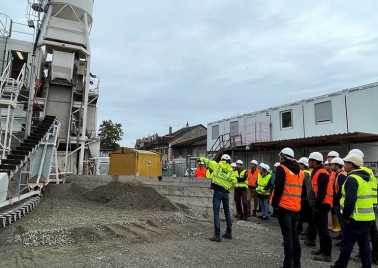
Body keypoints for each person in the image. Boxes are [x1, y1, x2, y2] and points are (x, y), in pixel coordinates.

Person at [332, 153, 376, 268]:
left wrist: (346, 217)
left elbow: (350, 201)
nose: (344, 165)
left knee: (347, 245)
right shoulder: (365, 178)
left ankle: (340, 265)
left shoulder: (352, 178)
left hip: (355, 219)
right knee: (364, 245)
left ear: (351, 164)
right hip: (368, 218)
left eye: (345, 163)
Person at [271, 147, 305, 268]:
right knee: (295, 238)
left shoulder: (282, 168)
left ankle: (287, 265)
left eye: (280, 156)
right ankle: (297, 264)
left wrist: (275, 205)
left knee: (288, 238)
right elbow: (302, 192)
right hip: (296, 209)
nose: (279, 158)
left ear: (283, 157)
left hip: (284, 209)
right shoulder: (300, 171)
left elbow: (279, 188)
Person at [348, 149, 378, 264]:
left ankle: (372, 256)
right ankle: (370, 256)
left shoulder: (361, 172)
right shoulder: (368, 171)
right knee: (369, 233)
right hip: (370, 204)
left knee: (370, 233)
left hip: (365, 205)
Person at [200, 154, 237, 242]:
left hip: (217, 192)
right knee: (227, 212)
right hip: (226, 193)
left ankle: (217, 235)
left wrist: (201, 158)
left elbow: (207, 161)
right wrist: (228, 187)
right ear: (229, 161)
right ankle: (229, 232)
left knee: (216, 213)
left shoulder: (217, 165)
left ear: (222, 159)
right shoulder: (231, 170)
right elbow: (235, 182)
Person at [308, 152, 333, 263]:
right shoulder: (317, 172)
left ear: (315, 162)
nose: (309, 162)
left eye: (310, 161)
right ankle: (322, 249)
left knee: (323, 230)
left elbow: (322, 192)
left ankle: (327, 254)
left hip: (323, 205)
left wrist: (317, 207)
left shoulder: (322, 173)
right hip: (320, 204)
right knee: (320, 229)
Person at [297, 157, 316, 240]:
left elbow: (308, 189)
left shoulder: (306, 174)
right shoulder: (305, 173)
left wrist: (308, 200)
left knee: (306, 217)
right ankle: (301, 231)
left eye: (300, 164)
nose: (298, 165)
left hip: (304, 199)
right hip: (303, 199)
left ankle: (304, 232)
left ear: (304, 165)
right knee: (303, 217)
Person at [330, 157, 347, 243]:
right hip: (338, 202)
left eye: (332, 164)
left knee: (342, 222)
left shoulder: (341, 175)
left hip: (339, 203)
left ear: (337, 165)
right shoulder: (338, 174)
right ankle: (341, 236)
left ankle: (344, 240)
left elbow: (341, 191)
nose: (330, 166)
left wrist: (335, 200)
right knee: (341, 222)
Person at [327, 151, 341, 233]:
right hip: (332, 197)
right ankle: (335, 226)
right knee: (333, 212)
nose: (328, 159)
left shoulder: (340, 173)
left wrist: (335, 198)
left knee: (337, 213)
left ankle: (338, 226)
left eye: (330, 157)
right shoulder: (333, 172)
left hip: (336, 198)